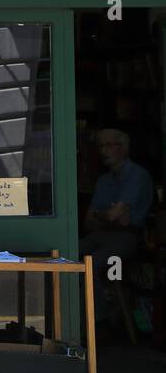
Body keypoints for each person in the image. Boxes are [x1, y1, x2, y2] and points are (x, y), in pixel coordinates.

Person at [80, 128, 154, 319]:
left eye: (109, 145)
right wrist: (108, 216)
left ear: (124, 148)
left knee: (90, 266)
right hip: (101, 235)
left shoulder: (138, 175)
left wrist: (105, 216)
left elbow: (113, 216)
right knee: (67, 257)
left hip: (127, 237)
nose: (103, 151)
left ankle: (99, 321)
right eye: (100, 146)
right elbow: (89, 221)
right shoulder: (103, 180)